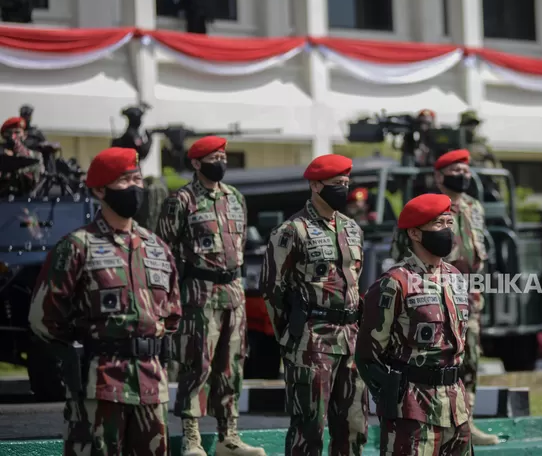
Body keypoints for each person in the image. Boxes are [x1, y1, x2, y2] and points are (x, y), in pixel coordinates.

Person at [27, 147, 182, 455]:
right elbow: (42, 319)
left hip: (151, 386)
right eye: (125, 180)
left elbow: (173, 311)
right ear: (99, 190)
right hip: (99, 384)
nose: (135, 187)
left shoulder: (157, 248)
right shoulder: (76, 247)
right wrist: (88, 344)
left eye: (137, 179)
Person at [156, 136, 265, 456]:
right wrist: (168, 301)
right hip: (198, 295)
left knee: (232, 365)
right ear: (195, 163)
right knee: (197, 365)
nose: (221, 162)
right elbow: (163, 252)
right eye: (214, 157)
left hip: (232, 292)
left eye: (223, 156)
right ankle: (192, 437)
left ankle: (228, 437)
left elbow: (240, 244)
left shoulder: (234, 198)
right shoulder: (182, 201)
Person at [261, 154, 369, 456]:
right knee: (309, 429)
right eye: (336, 184)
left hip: (350, 341)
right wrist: (291, 335)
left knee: (354, 427)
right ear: (315, 184)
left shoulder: (351, 229)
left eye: (346, 183)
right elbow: (272, 289)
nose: (343, 189)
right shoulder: (292, 231)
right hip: (311, 341)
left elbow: (356, 281)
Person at [392, 149, 497, 445]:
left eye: (466, 170)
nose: (463, 175)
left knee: (470, 357)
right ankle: (425, 421)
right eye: (456, 170)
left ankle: (467, 420)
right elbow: (402, 253)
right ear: (439, 176)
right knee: (433, 358)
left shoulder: (476, 207)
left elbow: (478, 252)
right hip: (431, 293)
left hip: (467, 295)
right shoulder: (426, 209)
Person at [356, 193, 471, 456]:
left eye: (449, 222)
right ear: (416, 234)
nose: (447, 230)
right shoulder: (395, 282)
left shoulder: (455, 277)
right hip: (413, 411)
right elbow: (366, 355)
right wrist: (389, 399)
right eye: (438, 224)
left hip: (457, 409)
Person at [0, 116, 42, 195]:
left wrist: (19, 153)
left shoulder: (36, 156)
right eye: (9, 133)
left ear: (24, 135)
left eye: (17, 132)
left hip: (24, 201)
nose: (13, 136)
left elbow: (36, 182)